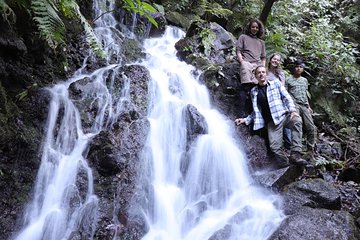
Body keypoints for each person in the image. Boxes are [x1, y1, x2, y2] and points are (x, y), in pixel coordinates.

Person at [235, 66, 307, 168]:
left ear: (266, 74)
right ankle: (287, 165)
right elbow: (256, 111)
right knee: (275, 148)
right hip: (272, 123)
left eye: (263, 72)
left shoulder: (276, 83)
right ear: (255, 76)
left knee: (297, 120)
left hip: (283, 115)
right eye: (258, 73)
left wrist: (293, 110)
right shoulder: (254, 92)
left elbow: (286, 97)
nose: (261, 74)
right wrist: (245, 120)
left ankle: (295, 154)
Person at [236, 18, 266, 118]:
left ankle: (256, 114)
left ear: (259, 29)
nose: (254, 29)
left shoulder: (261, 42)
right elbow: (239, 50)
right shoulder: (243, 37)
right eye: (253, 27)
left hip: (257, 65)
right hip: (247, 63)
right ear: (249, 27)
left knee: (257, 88)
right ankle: (241, 113)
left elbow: (263, 57)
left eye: (257, 27)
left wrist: (262, 67)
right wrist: (242, 61)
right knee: (245, 87)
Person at [286, 62, 316, 153]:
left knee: (311, 127)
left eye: (300, 67)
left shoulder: (304, 80)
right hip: (294, 105)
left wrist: (308, 106)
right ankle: (297, 149)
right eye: (297, 67)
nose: (298, 68)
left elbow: (305, 94)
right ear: (294, 68)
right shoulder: (288, 80)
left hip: (304, 105)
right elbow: (285, 94)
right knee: (297, 124)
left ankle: (311, 148)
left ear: (303, 69)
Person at [267, 53, 292, 149]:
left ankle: (288, 146)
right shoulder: (265, 72)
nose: (275, 61)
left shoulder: (280, 74)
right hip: (269, 100)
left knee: (284, 122)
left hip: (279, 100)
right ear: (270, 59)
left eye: (277, 60)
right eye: (274, 59)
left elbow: (282, 88)